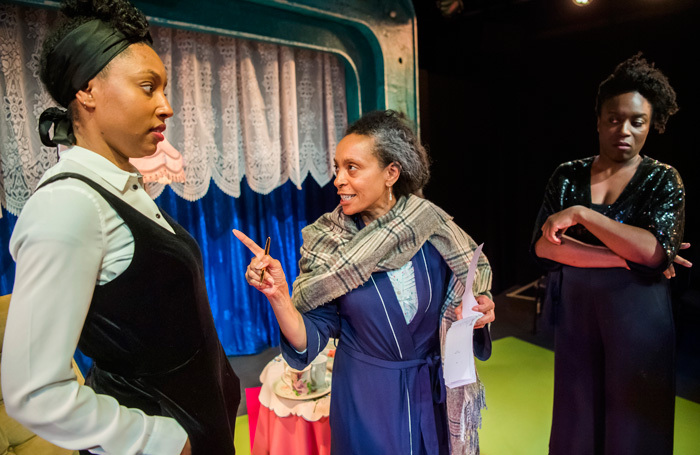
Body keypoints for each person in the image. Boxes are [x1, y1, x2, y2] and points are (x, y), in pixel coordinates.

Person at [1, 1, 240, 454]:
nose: (166, 107)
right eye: (148, 87)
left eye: (164, 90)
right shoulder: (68, 204)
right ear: (88, 91)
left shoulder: (121, 189)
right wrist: (161, 440)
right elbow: (33, 393)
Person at [235, 110, 495, 454]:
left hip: (433, 396)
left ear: (391, 173)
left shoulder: (433, 230)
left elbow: (464, 291)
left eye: (352, 168)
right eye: (337, 167)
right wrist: (279, 296)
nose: (339, 180)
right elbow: (307, 338)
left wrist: (479, 309)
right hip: (366, 402)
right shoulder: (326, 243)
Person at [531, 54, 686, 455]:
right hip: (577, 313)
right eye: (615, 118)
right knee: (576, 419)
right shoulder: (567, 174)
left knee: (634, 426)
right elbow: (545, 246)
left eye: (638, 121)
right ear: (599, 119)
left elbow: (653, 252)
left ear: (651, 126)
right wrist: (626, 254)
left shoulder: (663, 178)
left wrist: (582, 215)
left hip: (639, 317)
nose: (625, 129)